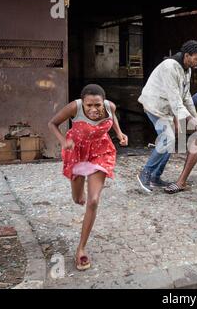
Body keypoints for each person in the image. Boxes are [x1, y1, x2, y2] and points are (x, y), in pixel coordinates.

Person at [48, 84, 128, 270]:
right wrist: (63, 142)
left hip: (100, 151)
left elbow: (113, 117)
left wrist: (118, 133)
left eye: (97, 105)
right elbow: (52, 123)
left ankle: (81, 249)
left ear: (104, 102)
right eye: (89, 105)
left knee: (92, 201)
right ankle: (79, 191)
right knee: (78, 199)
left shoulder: (110, 106)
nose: (93, 109)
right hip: (76, 150)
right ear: (82, 103)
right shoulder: (74, 107)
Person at [136, 40, 197, 193]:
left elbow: (186, 96)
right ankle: (145, 174)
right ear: (187, 55)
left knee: (170, 140)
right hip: (154, 106)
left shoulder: (187, 69)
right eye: (196, 58)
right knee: (167, 138)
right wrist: (195, 123)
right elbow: (175, 101)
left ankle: (155, 177)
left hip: (166, 108)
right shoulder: (170, 67)